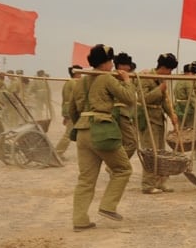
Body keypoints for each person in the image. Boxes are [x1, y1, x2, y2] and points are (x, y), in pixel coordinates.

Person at [69, 44, 135, 230]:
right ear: (105, 62)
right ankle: (108, 206)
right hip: (102, 130)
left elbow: (72, 110)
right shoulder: (106, 78)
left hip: (82, 131)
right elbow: (129, 98)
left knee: (86, 179)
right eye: (111, 61)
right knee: (123, 169)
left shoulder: (80, 81)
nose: (112, 65)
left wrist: (82, 124)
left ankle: (80, 220)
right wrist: (127, 80)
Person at [137, 53, 181, 194]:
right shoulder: (146, 77)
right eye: (169, 70)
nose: (170, 73)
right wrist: (159, 90)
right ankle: (148, 184)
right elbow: (143, 99)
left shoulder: (161, 79)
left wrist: (172, 114)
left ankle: (161, 182)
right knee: (151, 152)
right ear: (163, 67)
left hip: (159, 118)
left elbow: (164, 101)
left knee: (161, 152)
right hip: (148, 119)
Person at [55, 65, 83, 158]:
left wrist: (64, 114)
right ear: (76, 73)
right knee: (68, 134)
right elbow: (77, 97)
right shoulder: (74, 83)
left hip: (67, 109)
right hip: (72, 110)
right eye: (80, 73)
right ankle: (57, 153)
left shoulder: (68, 82)